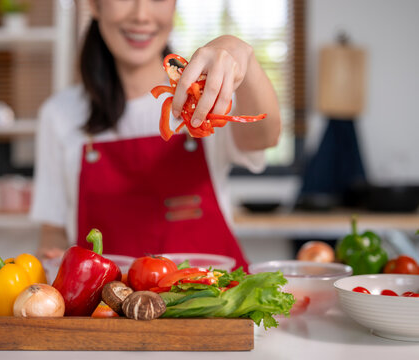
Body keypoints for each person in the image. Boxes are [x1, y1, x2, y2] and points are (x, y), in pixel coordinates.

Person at [30, 0, 281, 272]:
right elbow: (53, 232)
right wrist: (50, 259)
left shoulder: (206, 96)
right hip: (108, 309)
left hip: (211, 303)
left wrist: (243, 54)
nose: (141, 15)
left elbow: (264, 137)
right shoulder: (59, 114)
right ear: (94, 5)